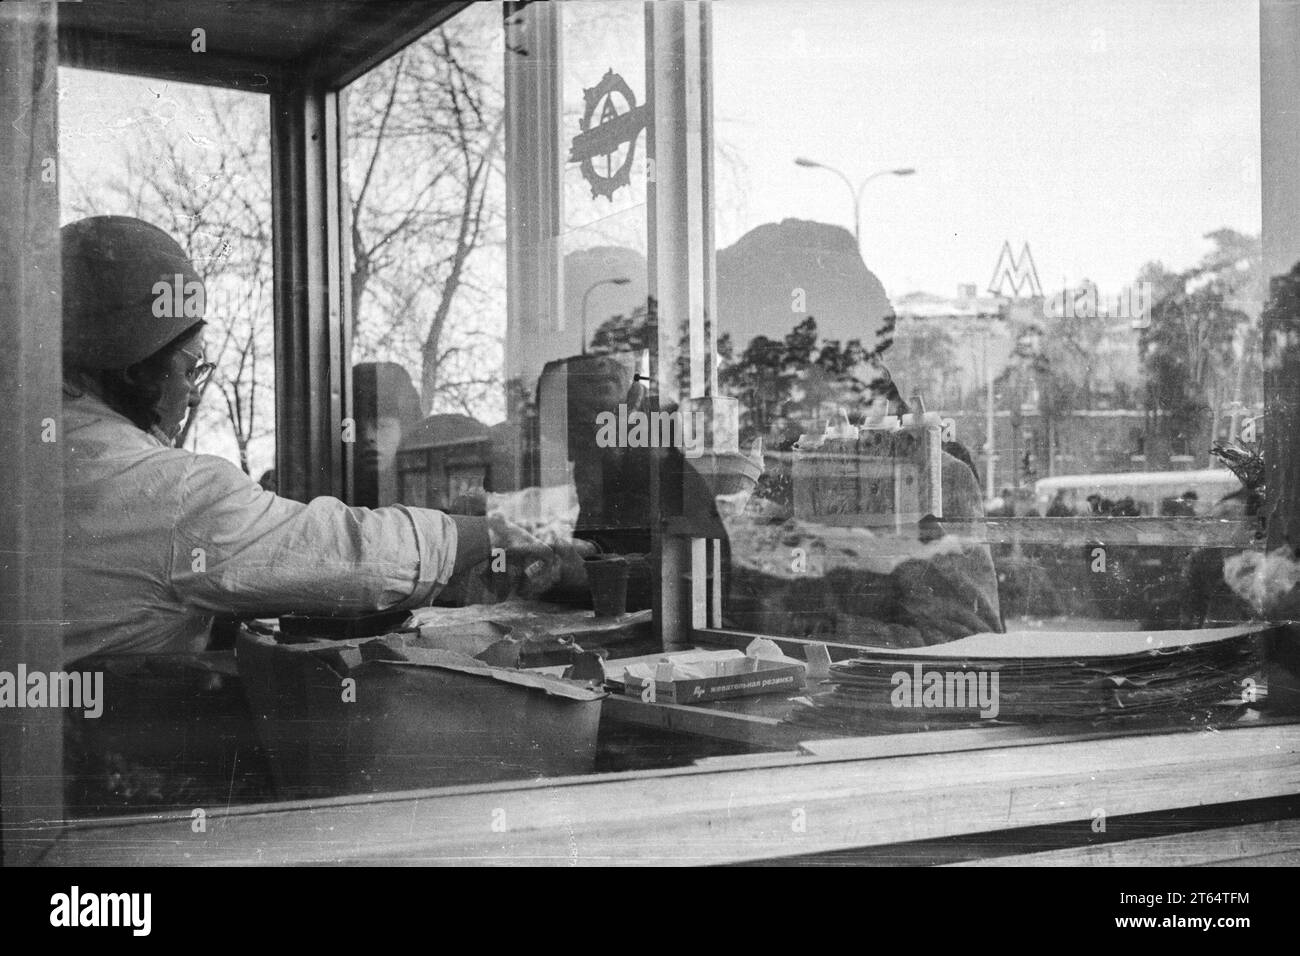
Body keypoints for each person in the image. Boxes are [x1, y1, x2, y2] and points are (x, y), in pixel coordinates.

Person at [60, 216, 558, 664]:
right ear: (135, 371)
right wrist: (492, 534)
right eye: (189, 368)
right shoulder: (165, 489)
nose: (192, 394)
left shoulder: (45, 448)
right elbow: (352, 555)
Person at [352, 361, 423, 507]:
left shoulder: (420, 492)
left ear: (403, 431)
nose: (368, 437)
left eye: (381, 426)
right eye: (358, 430)